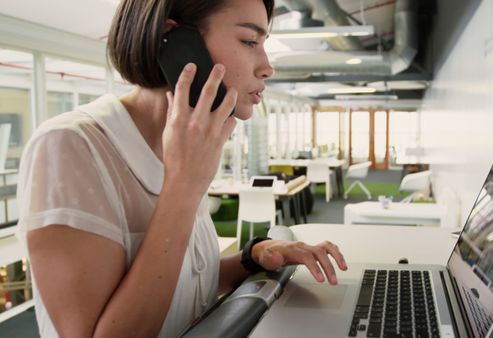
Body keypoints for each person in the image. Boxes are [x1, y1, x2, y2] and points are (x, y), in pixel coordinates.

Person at [16, 0, 348, 337]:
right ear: (175, 41)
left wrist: (254, 256)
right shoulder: (68, 146)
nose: (266, 68)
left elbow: (182, 283)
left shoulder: (183, 144)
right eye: (250, 42)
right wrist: (183, 185)